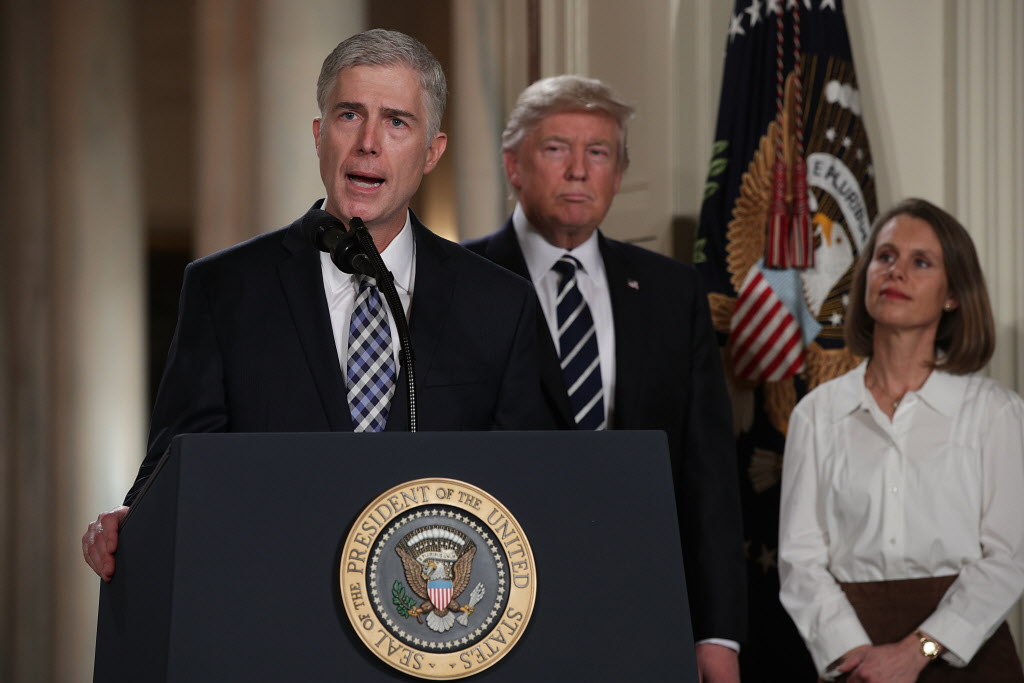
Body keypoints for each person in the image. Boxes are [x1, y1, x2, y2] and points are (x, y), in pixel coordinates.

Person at [83, 29, 552, 581]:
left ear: (432, 153)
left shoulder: (499, 302)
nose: (368, 143)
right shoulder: (225, 289)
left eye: (397, 122)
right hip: (276, 609)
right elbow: (177, 465)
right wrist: (131, 519)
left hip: (433, 618)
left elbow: (536, 484)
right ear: (318, 134)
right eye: (349, 115)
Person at [464, 75, 747, 682]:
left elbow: (709, 474)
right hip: (491, 601)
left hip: (640, 601)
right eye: (556, 149)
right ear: (514, 165)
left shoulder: (673, 293)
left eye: (598, 154)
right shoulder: (455, 283)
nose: (578, 171)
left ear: (618, 174)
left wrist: (718, 633)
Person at [778, 198, 1024, 682]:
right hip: (854, 659)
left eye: (921, 262)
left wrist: (917, 652)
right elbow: (799, 560)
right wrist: (856, 656)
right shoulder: (816, 414)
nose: (896, 272)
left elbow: (1008, 557)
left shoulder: (994, 412)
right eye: (885, 257)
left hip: (967, 656)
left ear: (953, 294)